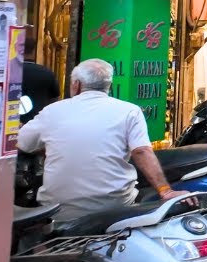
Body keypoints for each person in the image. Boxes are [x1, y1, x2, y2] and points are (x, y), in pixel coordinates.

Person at [17, 59, 190, 220]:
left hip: (58, 211)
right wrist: (165, 191)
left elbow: (22, 143)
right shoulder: (130, 111)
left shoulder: (52, 111)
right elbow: (142, 151)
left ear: (76, 85)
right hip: (114, 208)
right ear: (108, 86)